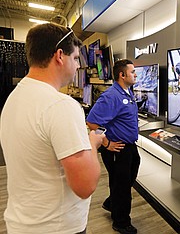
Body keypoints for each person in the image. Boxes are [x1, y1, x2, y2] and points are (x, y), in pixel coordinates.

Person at [0, 23, 104, 234]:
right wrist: (92, 144)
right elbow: (86, 186)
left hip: (22, 223)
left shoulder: (15, 98)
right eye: (75, 58)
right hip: (57, 227)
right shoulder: (61, 105)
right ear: (59, 56)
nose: (77, 66)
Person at [86, 59, 140, 234]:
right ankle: (121, 222)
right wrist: (106, 143)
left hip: (129, 146)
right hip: (117, 148)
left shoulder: (127, 92)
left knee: (127, 176)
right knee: (122, 185)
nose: (135, 75)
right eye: (132, 72)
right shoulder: (111, 96)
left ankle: (112, 202)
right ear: (122, 75)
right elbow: (92, 121)